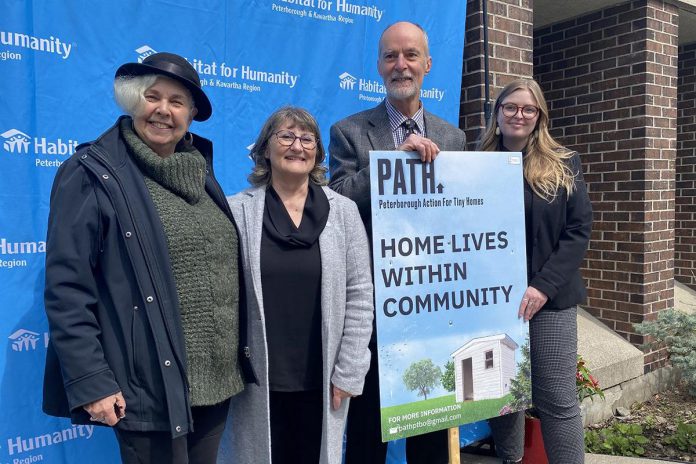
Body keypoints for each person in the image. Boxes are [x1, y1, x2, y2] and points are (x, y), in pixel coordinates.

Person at [42, 52, 256, 464]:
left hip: (215, 385)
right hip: (148, 388)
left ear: (191, 114)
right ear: (132, 101)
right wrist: (91, 381)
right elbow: (68, 288)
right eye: (152, 97)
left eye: (177, 102)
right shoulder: (92, 174)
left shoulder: (200, 173)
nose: (163, 110)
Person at [329, 21, 467, 464]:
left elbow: (463, 215)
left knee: (431, 431)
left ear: (427, 64)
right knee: (369, 433)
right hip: (373, 308)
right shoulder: (349, 131)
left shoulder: (454, 138)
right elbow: (337, 201)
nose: (400, 65)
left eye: (410, 55)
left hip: (433, 305)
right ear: (379, 67)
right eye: (391, 56)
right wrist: (392, 164)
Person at [223, 106, 374, 464]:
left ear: (318, 153)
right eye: (286, 136)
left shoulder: (344, 212)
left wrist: (351, 370)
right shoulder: (235, 212)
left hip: (323, 380)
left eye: (307, 139)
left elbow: (360, 294)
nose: (297, 146)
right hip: (256, 381)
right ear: (264, 149)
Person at [479, 78, 593, 464]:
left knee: (557, 399)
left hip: (550, 299)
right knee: (503, 396)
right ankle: (512, 460)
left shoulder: (563, 162)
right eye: (510, 106)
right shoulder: (475, 163)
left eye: (529, 109)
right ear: (497, 113)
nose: (519, 115)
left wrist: (542, 286)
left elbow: (578, 231)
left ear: (539, 116)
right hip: (493, 300)